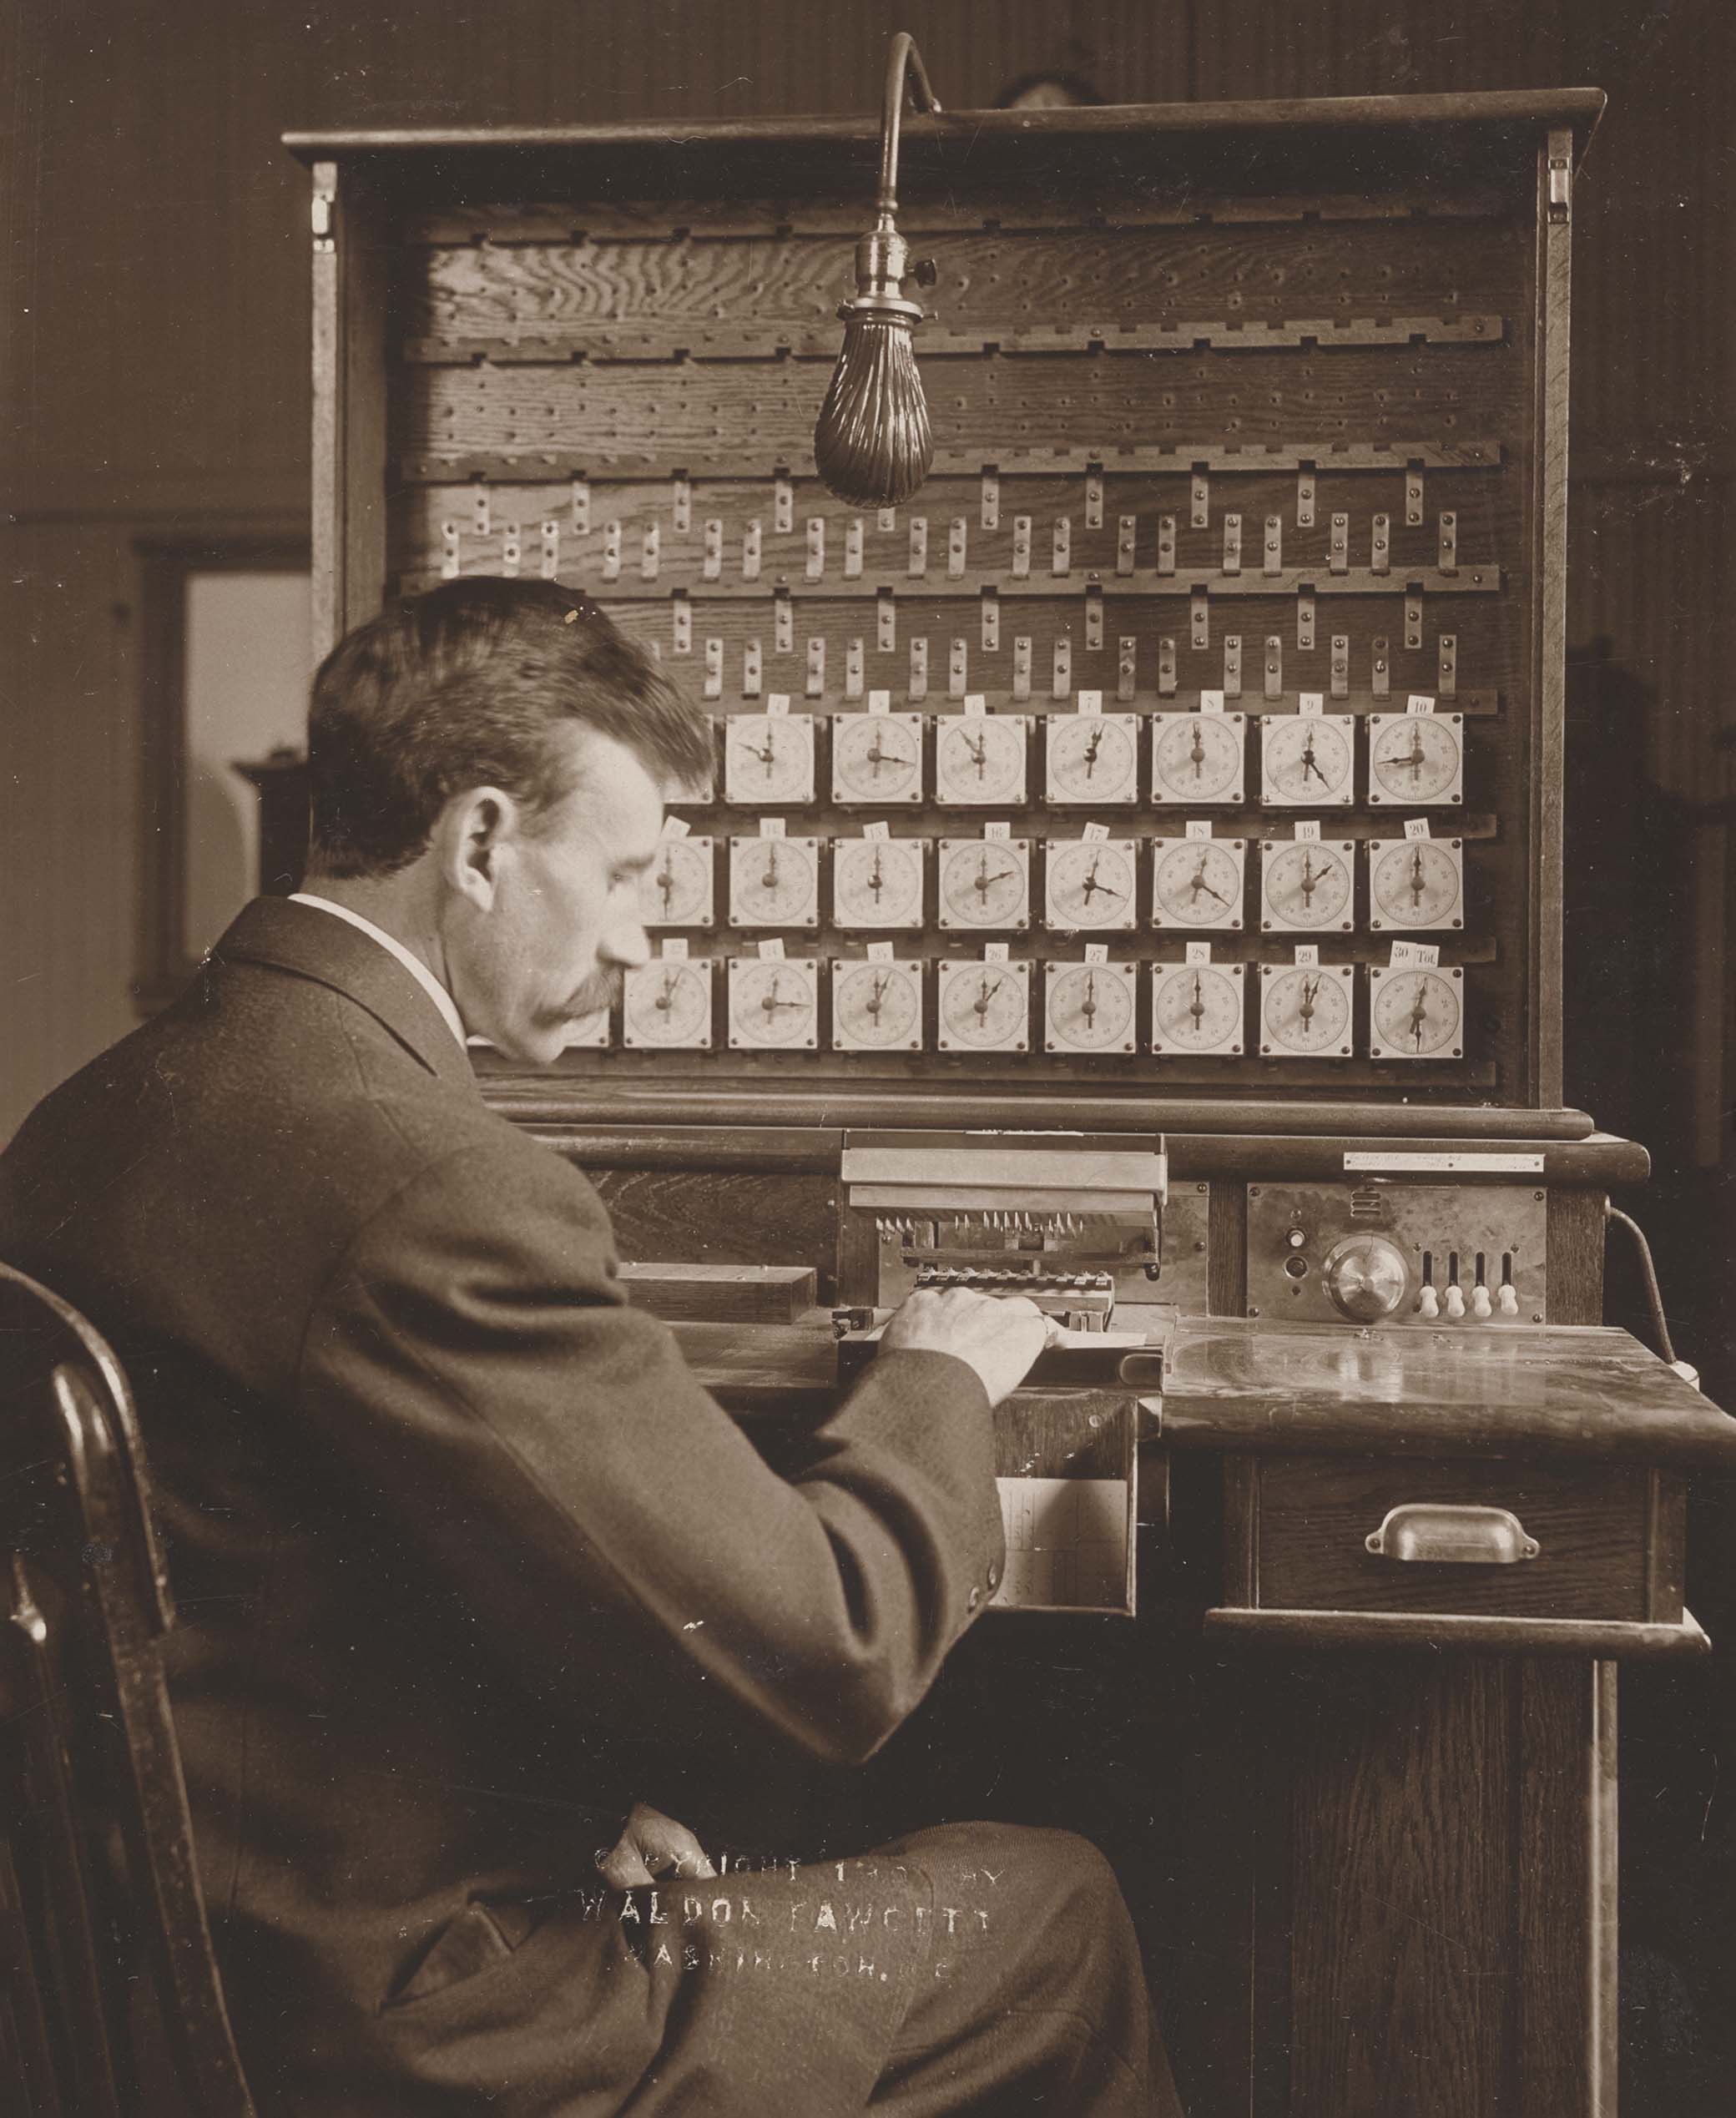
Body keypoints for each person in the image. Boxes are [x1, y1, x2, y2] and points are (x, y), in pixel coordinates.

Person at [0, 578, 1178, 2115]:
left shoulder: (86, 1117)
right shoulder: (430, 1184)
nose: (647, 936)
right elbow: (827, 1645)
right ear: (481, 843)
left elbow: (275, 1601)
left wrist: (547, 1805)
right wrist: (938, 1376)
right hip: (420, 2026)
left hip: (163, 1979)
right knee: (1052, 1910)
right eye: (624, 874)